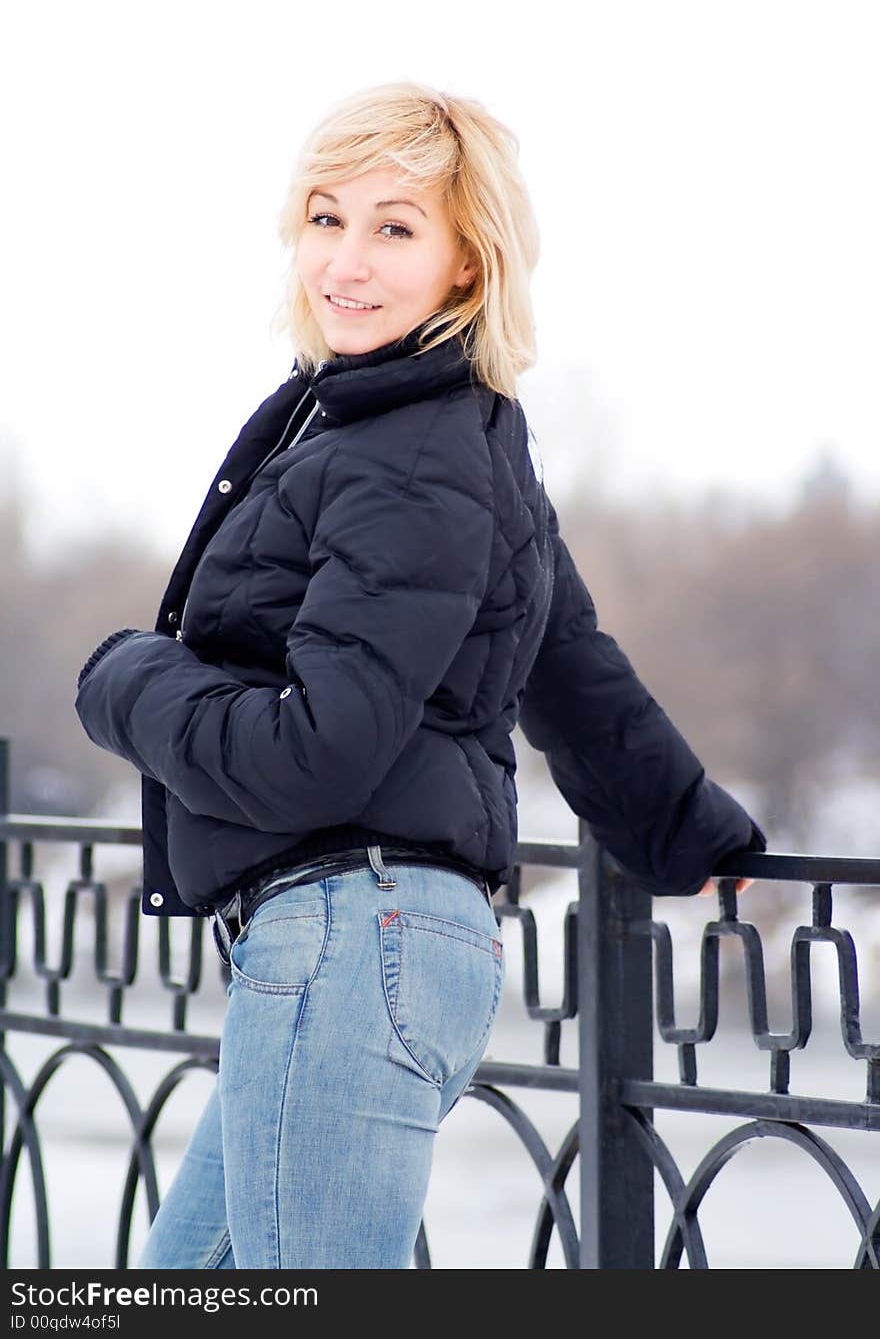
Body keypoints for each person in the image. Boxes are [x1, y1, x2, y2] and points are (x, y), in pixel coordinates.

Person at [73, 80, 765, 1270]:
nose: (345, 259)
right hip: (364, 944)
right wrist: (684, 827)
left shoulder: (412, 452)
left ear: (465, 265)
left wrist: (123, 680)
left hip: (353, 941)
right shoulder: (432, 430)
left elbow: (310, 756)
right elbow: (566, 660)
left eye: (395, 227)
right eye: (326, 216)